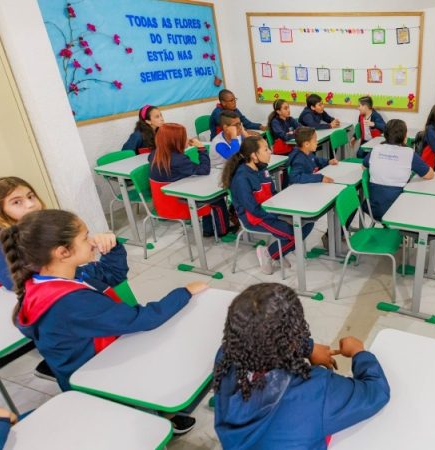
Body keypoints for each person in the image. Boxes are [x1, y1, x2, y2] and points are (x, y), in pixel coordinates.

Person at [1, 209, 208, 434]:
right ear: (63, 252)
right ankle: (153, 415)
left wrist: (113, 247)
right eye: (85, 237)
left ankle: (156, 411)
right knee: (177, 353)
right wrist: (184, 292)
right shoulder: (70, 301)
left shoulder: (61, 277)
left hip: (99, 356)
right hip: (95, 374)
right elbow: (141, 319)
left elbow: (113, 273)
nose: (92, 241)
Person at [0, 176, 129, 381]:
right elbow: (12, 279)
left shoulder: (34, 229)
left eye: (31, 196)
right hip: (0, 301)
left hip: (44, 294)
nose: (30, 204)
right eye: (17, 202)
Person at [213, 283, 390, 449]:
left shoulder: (225, 357)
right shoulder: (317, 388)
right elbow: (376, 392)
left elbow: (261, 338)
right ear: (293, 337)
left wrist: (308, 348)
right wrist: (359, 353)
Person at [222, 136, 314, 275]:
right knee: (294, 234)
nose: (270, 151)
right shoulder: (241, 178)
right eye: (265, 149)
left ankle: (276, 253)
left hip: (270, 211)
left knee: (308, 222)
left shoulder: (262, 169)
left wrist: (285, 209)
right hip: (255, 218)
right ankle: (269, 253)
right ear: (254, 155)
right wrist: (276, 215)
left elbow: (273, 193)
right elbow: (253, 209)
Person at [149, 123, 231, 237]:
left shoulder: (154, 155)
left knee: (206, 194)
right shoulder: (179, 160)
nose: (187, 139)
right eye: (184, 136)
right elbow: (204, 170)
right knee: (217, 199)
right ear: (175, 141)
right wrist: (201, 148)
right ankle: (223, 231)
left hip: (163, 203)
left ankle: (208, 230)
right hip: (179, 204)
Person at [363, 119, 434, 221]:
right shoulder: (409, 153)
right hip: (398, 209)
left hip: (374, 208)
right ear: (404, 137)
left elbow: (364, 167)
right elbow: (429, 175)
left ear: (385, 135)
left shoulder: (376, 149)